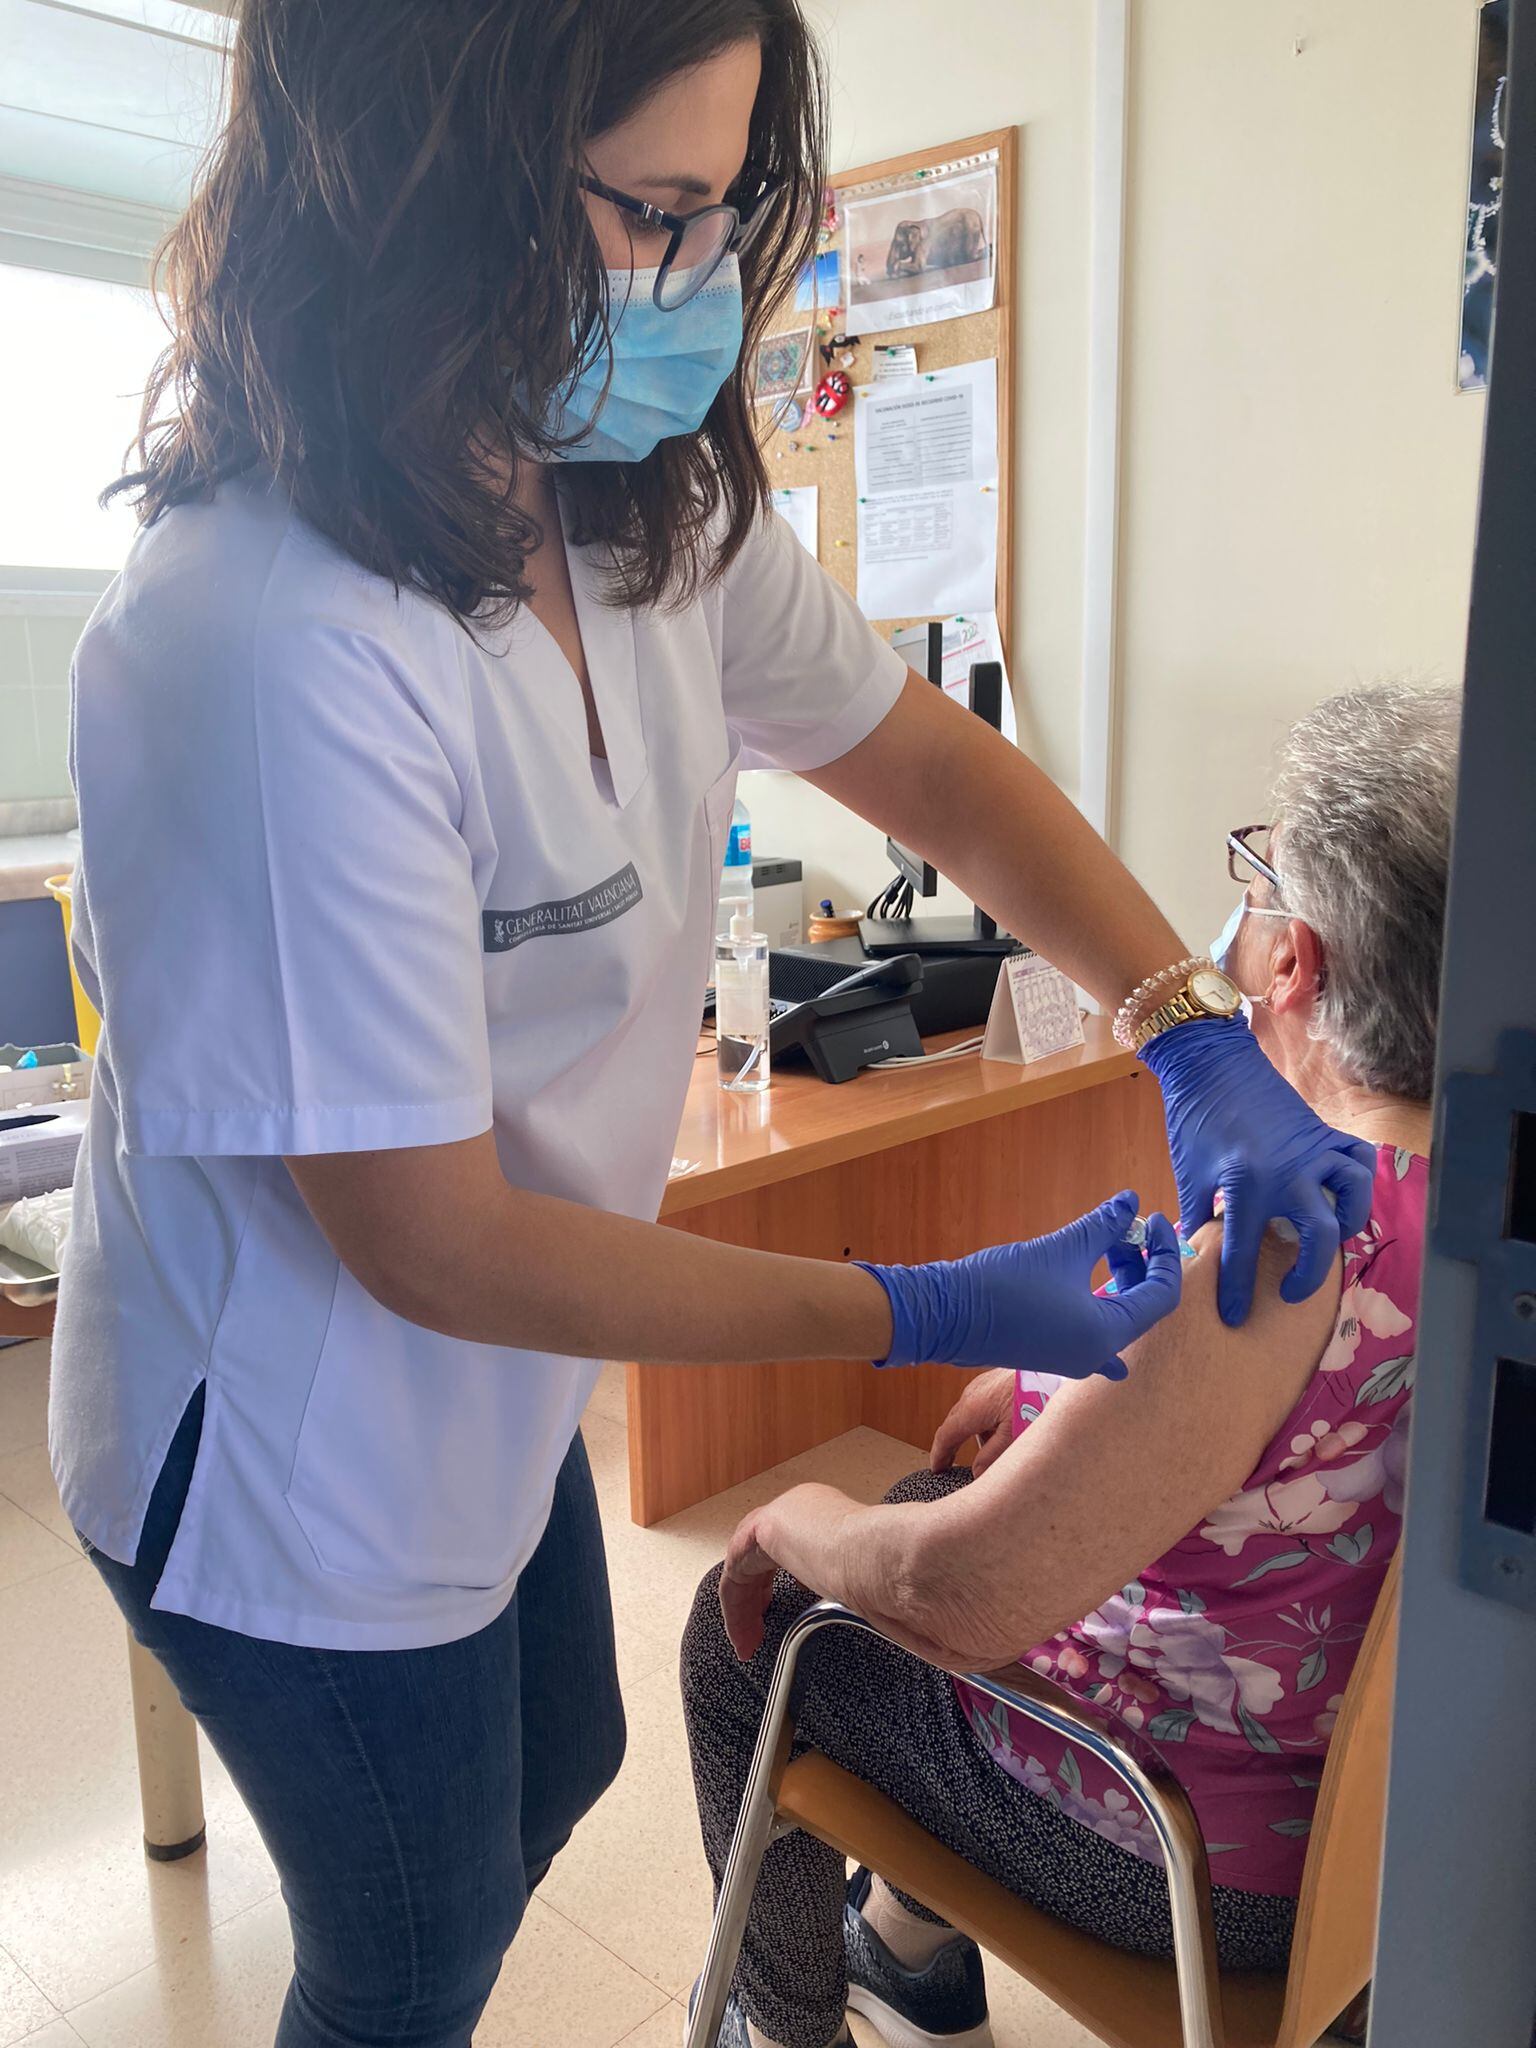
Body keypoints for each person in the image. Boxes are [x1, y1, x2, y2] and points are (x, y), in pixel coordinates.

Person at [50, 3, 1369, 2042]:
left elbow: (932, 764)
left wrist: (1188, 1022)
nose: (695, 284)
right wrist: (922, 1305)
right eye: (652, 212)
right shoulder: (257, 640)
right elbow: (432, 1237)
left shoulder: (638, 505)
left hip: (504, 1368)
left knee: (560, 1762)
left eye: (722, 211)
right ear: (423, 173)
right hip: (298, 1445)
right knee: (409, 1950)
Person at [682, 682, 1456, 2048]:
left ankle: (781, 2024)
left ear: (1298, 965)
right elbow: (1280, 1451)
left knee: (749, 1622)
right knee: (933, 1493)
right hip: (1378, 1834)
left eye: (1257, 877)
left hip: (1183, 1858)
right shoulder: (1464, 1209)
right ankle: (912, 1959)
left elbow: (959, 1596)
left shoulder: (1278, 1255)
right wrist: (1044, 1385)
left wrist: (797, 1523)